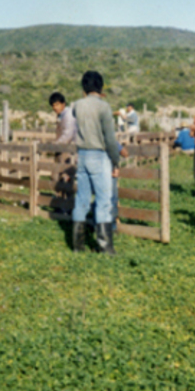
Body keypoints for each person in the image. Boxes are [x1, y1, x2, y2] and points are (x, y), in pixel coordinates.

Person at [71, 71, 121, 255]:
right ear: (100, 87)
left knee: (81, 199)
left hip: (81, 155)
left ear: (84, 87)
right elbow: (109, 138)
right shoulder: (104, 107)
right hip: (98, 156)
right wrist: (116, 160)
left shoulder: (77, 106)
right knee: (103, 201)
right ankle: (105, 246)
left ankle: (77, 245)